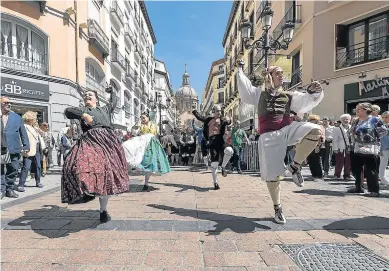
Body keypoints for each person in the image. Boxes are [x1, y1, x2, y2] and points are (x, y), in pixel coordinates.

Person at [237, 60, 324, 224]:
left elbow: (307, 100)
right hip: (269, 136)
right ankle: (277, 207)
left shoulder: (289, 95)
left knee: (315, 130)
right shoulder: (258, 94)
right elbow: (244, 88)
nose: (281, 75)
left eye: (281, 73)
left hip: (287, 130)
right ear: (269, 77)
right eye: (277, 73)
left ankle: (295, 166)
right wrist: (240, 70)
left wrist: (313, 92)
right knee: (273, 175)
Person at [62, 88, 129, 223]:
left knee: (107, 175)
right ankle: (86, 190)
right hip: (90, 142)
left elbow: (114, 101)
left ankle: (103, 210)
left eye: (90, 94)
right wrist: (83, 115)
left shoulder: (104, 109)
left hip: (108, 143)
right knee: (76, 165)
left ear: (96, 99)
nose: (87, 96)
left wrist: (113, 91)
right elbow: (67, 111)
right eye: (85, 95)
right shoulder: (83, 110)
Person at [122, 111, 170, 191]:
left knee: (149, 164)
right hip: (142, 144)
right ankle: (142, 182)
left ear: (148, 118)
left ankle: (146, 183)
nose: (142, 119)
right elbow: (136, 134)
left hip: (151, 145)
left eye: (144, 118)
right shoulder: (141, 126)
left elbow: (152, 133)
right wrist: (134, 129)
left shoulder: (153, 125)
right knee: (127, 147)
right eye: (141, 118)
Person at [348, 103, 387, 196]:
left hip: (371, 147)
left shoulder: (375, 119)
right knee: (355, 169)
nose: (356, 111)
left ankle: (374, 190)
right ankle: (358, 187)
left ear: (366, 110)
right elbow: (351, 132)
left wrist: (372, 139)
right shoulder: (355, 120)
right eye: (356, 109)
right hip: (357, 147)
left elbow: (383, 132)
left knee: (371, 170)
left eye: (359, 109)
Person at [192, 104, 233, 190]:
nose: (219, 112)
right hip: (212, 142)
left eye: (220, 110)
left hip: (220, 140)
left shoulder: (222, 119)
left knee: (229, 150)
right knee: (214, 164)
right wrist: (194, 110)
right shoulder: (208, 119)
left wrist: (229, 120)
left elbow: (228, 122)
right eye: (217, 111)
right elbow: (200, 117)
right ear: (213, 111)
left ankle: (223, 167)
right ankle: (215, 183)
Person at [1, 97, 30, 198]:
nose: (9, 104)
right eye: (6, 102)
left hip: (14, 147)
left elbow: (23, 133)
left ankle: (10, 189)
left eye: (10, 103)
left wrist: (26, 145)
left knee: (13, 169)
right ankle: (1, 190)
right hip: (1, 148)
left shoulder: (17, 117)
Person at [18, 111, 46, 192]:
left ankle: (38, 182)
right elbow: (22, 138)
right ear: (29, 118)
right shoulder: (24, 126)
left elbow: (43, 134)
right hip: (29, 149)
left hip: (37, 149)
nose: (35, 120)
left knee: (38, 166)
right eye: (34, 118)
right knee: (26, 167)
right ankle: (21, 184)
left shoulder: (34, 127)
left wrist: (38, 128)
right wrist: (23, 148)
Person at [332, 114, 352, 180]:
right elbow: (334, 140)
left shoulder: (352, 128)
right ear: (341, 120)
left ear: (349, 120)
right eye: (344, 119)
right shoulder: (337, 129)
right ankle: (337, 174)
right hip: (340, 147)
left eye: (347, 119)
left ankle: (347, 175)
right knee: (339, 162)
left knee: (348, 163)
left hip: (349, 148)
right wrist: (335, 148)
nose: (346, 120)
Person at [306, 115, 325, 181]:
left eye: (313, 120)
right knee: (310, 160)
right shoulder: (308, 127)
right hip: (309, 145)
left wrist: (318, 145)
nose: (312, 121)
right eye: (311, 120)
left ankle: (319, 175)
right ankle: (313, 174)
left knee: (317, 160)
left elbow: (322, 137)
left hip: (317, 145)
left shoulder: (320, 127)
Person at [379, 111, 389, 186]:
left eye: (387, 117)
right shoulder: (380, 126)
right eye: (383, 117)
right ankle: (382, 179)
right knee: (383, 163)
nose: (385, 119)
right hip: (384, 147)